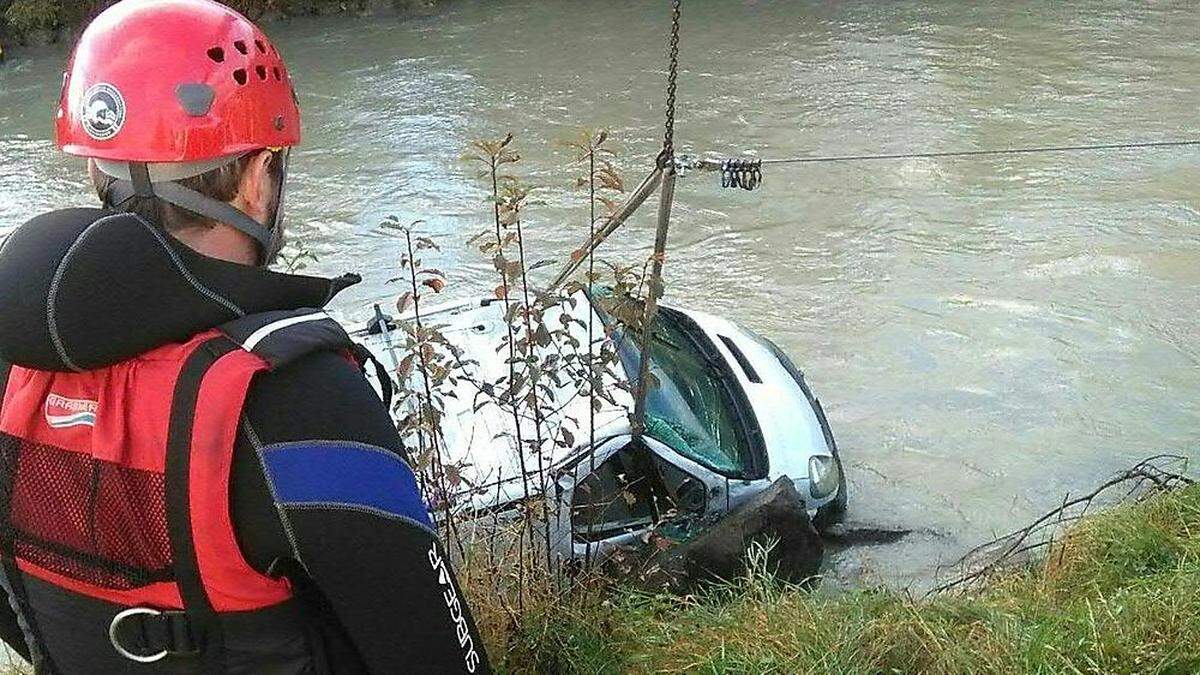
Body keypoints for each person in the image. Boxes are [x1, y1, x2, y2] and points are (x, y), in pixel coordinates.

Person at [0, 1, 489, 673]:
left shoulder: (14, 369)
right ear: (259, 178)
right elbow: (439, 655)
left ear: (94, 169)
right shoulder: (300, 399)